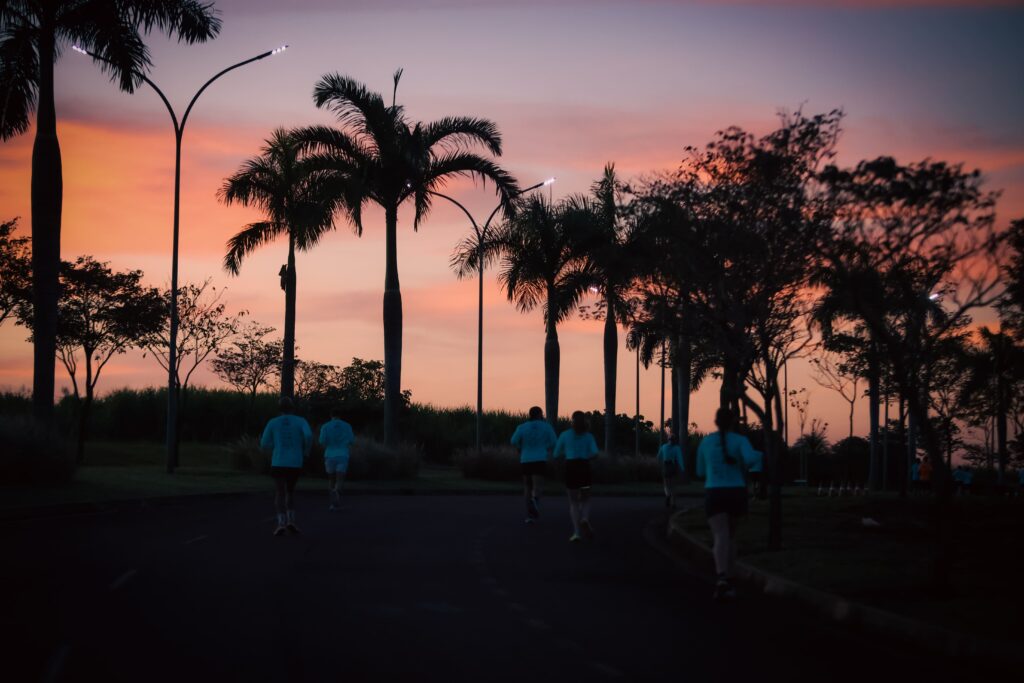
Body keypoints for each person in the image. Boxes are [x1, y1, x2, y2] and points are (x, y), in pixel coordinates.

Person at [696, 408, 757, 601]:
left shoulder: (706, 442)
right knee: (731, 536)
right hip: (736, 491)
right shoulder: (740, 441)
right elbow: (751, 461)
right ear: (733, 422)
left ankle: (722, 576)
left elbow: (699, 471)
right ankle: (729, 576)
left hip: (714, 491)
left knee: (720, 535)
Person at [260, 397, 313, 536]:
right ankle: (291, 521)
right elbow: (308, 435)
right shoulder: (301, 421)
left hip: (278, 461)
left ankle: (281, 522)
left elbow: (264, 443)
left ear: (279, 409)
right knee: (290, 491)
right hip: (295, 461)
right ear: (293, 407)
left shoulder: (273, 422)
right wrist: (306, 450)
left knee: (279, 492)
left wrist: (276, 446)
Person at [553, 411, 599, 542]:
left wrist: (565, 455)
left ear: (571, 421)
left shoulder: (565, 435)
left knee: (573, 502)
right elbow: (595, 454)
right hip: (584, 467)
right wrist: (586, 457)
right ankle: (584, 518)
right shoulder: (588, 436)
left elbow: (556, 454)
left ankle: (576, 532)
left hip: (571, 467)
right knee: (586, 499)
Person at [510, 406, 557, 524]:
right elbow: (554, 442)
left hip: (525, 459)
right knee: (537, 486)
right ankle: (535, 501)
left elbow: (513, 440)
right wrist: (545, 448)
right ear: (540, 414)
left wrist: (520, 447)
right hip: (540, 458)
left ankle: (529, 515)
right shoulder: (546, 427)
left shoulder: (522, 427)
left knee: (527, 486)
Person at [319, 407, 355, 511]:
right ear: (340, 415)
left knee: (331, 479)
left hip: (330, 454)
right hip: (342, 454)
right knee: (340, 478)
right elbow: (352, 441)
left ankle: (332, 502)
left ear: (331, 415)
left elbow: (322, 441)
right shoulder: (347, 426)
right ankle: (337, 497)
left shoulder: (325, 426)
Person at [657, 431, 684, 509]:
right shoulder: (676, 448)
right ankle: (673, 503)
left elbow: (658, 457)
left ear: (668, 439)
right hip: (673, 466)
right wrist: (682, 469)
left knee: (666, 484)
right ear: (674, 440)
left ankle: (667, 495)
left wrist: (660, 465)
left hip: (666, 466)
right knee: (673, 486)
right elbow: (680, 459)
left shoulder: (663, 447)